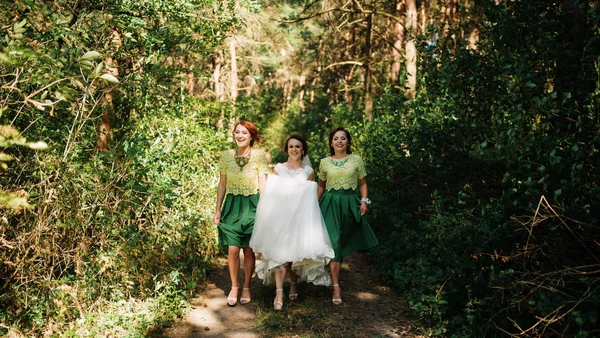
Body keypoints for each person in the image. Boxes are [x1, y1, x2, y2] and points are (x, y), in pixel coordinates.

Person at [250, 135, 334, 310]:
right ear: (287, 149)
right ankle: (279, 292)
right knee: (279, 254)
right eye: (291, 147)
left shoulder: (309, 171)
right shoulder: (279, 169)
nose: (294, 150)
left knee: (296, 253)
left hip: (299, 217)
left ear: (303, 149)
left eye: (297, 147)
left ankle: (294, 284)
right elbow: (271, 194)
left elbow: (309, 197)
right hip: (280, 216)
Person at [317, 127, 379, 305]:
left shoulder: (356, 160)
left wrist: (364, 201)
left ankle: (335, 269)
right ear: (331, 143)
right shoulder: (324, 162)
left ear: (348, 142)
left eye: (343, 138)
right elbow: (321, 186)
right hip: (330, 204)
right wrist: (313, 205)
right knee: (334, 242)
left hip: (350, 203)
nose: (339, 141)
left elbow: (363, 183)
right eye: (335, 138)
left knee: (343, 240)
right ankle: (336, 286)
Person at [213, 120, 269, 307]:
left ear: (251, 136)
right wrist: (218, 209)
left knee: (248, 249)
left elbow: (263, 184)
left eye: (244, 133)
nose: (240, 136)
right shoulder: (226, 156)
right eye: (237, 132)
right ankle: (234, 286)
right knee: (233, 249)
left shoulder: (259, 156)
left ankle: (247, 286)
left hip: (252, 205)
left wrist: (265, 209)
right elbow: (222, 184)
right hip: (232, 206)